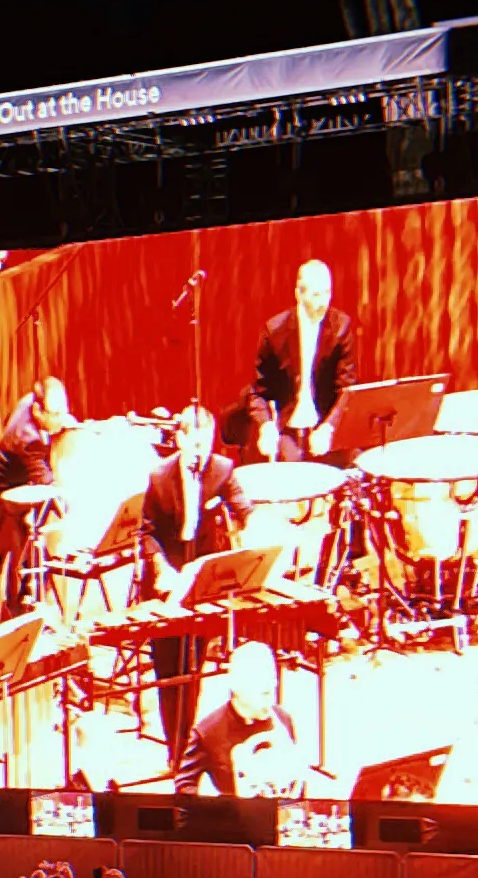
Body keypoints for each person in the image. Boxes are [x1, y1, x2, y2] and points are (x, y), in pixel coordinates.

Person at [139, 401, 245, 765]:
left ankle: (185, 751)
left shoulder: (222, 470)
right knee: (169, 674)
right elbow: (146, 533)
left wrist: (258, 524)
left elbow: (243, 505)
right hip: (166, 579)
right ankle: (175, 750)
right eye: (196, 444)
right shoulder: (158, 477)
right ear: (181, 439)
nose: (202, 453)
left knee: (193, 670)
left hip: (201, 580)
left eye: (207, 443)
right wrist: (162, 569)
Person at [0, 376, 77, 602]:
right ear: (38, 412)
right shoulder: (29, 440)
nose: (62, 418)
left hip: (10, 504)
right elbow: (47, 484)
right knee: (10, 589)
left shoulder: (29, 400)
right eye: (55, 414)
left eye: (63, 410)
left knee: (26, 572)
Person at [251, 257, 354, 463]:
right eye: (316, 295)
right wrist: (266, 425)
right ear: (299, 293)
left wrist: (329, 426)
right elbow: (257, 393)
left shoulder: (341, 327)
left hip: (326, 422)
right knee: (291, 479)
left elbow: (347, 388)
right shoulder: (274, 332)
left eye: (327, 293)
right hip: (289, 427)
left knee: (356, 471)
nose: (323, 302)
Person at [174, 643, 301, 803]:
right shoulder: (207, 731)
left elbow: (295, 780)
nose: (270, 700)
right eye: (263, 693)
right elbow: (185, 785)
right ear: (237, 687)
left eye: (272, 689)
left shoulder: (283, 718)